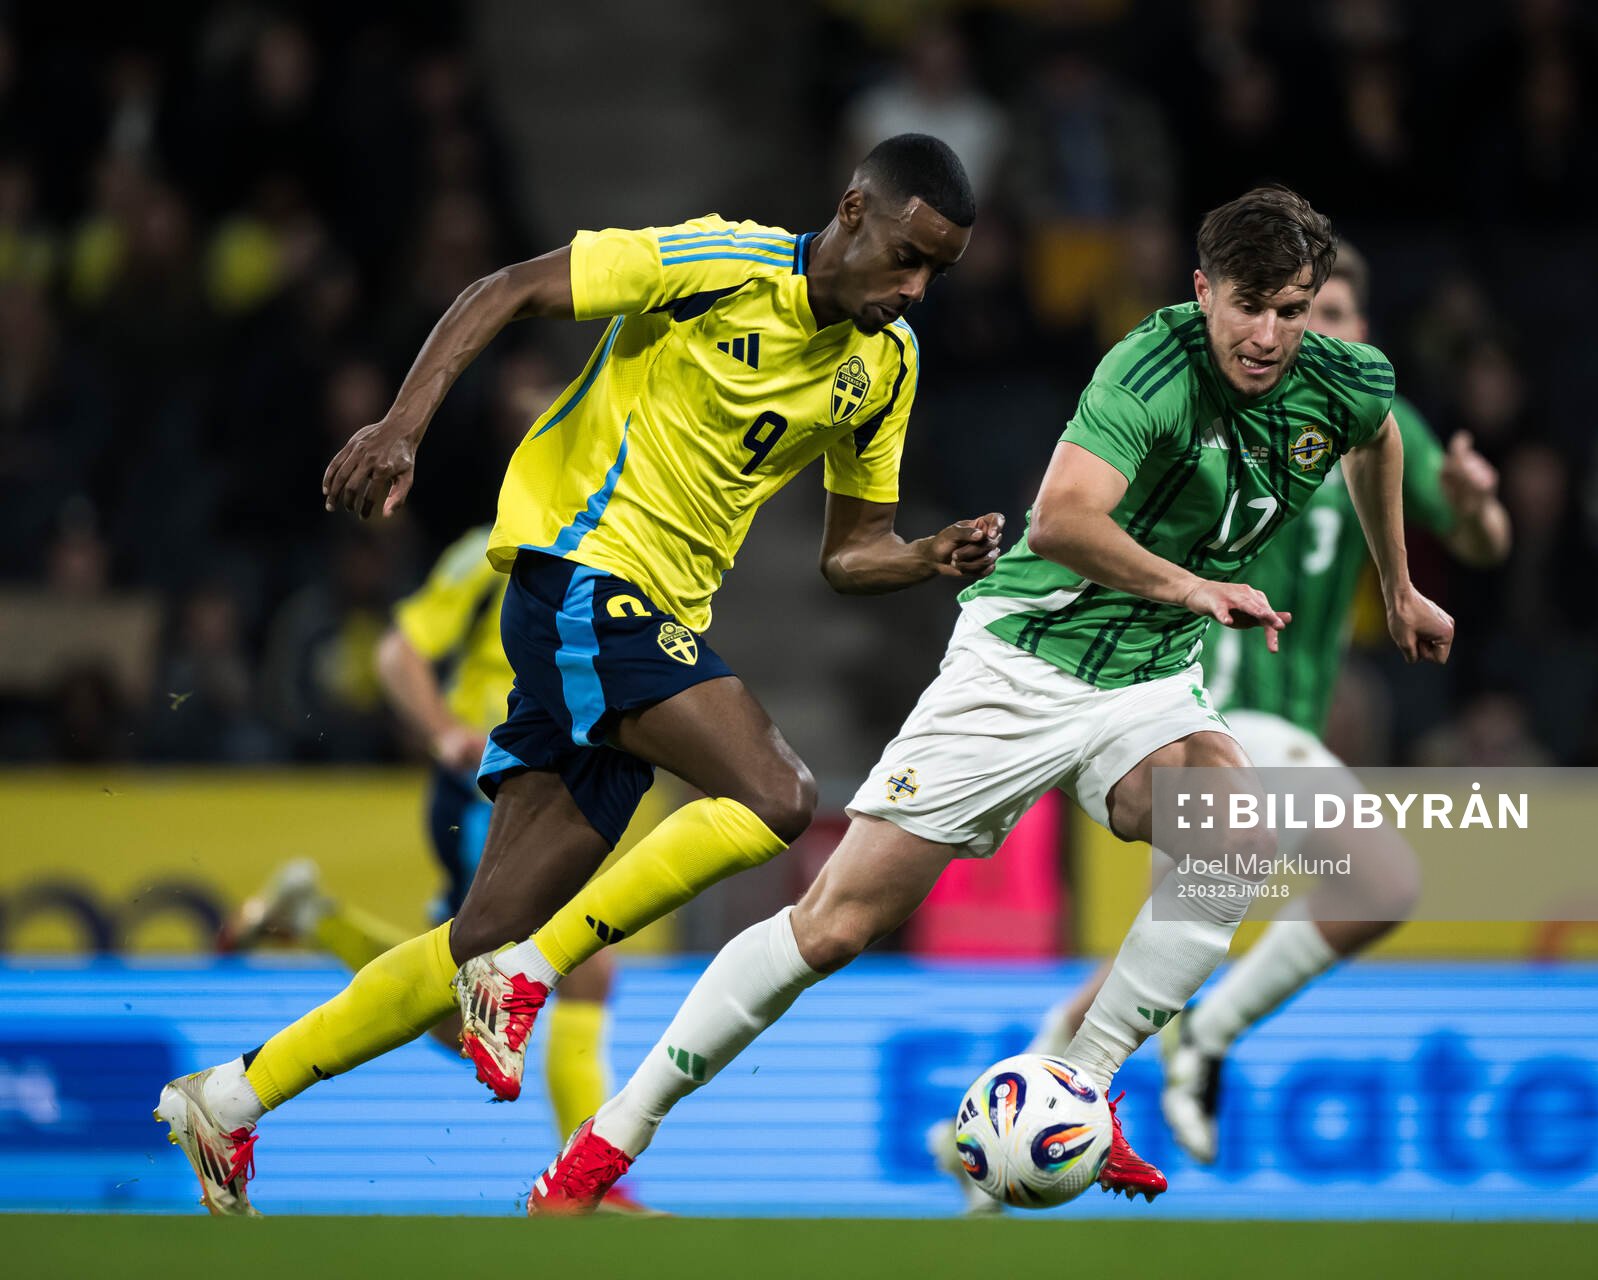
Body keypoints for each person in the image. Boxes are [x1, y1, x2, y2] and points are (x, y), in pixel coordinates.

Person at [513, 185, 1455, 1215]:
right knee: (833, 925)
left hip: (1147, 675)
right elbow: (1059, 521)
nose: (1271, 336)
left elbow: (1377, 439)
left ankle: (1085, 1086)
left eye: (1293, 309)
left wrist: (1398, 582)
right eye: (1250, 307)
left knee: (1234, 830)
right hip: (1022, 662)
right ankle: (603, 1145)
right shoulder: (1149, 366)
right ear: (1203, 291)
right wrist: (1194, 585)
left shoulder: (1345, 380)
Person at [154, 134, 994, 1216]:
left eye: (938, 273)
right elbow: (506, 290)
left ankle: (229, 1094)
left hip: (646, 624)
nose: (914, 288)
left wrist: (926, 556)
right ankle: (533, 971)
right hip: (580, 579)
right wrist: (403, 426)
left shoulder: (887, 366)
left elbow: (849, 551)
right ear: (851, 210)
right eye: (907, 255)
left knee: (476, 934)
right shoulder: (718, 265)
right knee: (780, 793)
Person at [939, 244, 1511, 1210]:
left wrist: (1479, 509)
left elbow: (1481, 546)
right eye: (1290, 314)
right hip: (1202, 704)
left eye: (1325, 317)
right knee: (1374, 879)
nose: (1296, 339)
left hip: (1270, 723)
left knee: (1175, 948)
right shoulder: (1214, 406)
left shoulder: (1367, 418)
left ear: (1358, 333)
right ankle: (1181, 1048)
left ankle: (1021, 1113)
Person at [218, 526, 649, 1212]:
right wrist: (444, 730)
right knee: (586, 967)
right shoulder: (499, 549)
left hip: (553, 783)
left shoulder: (629, 540)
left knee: (455, 1019)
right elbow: (398, 652)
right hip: (492, 786)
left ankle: (315, 919)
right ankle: (593, 1184)